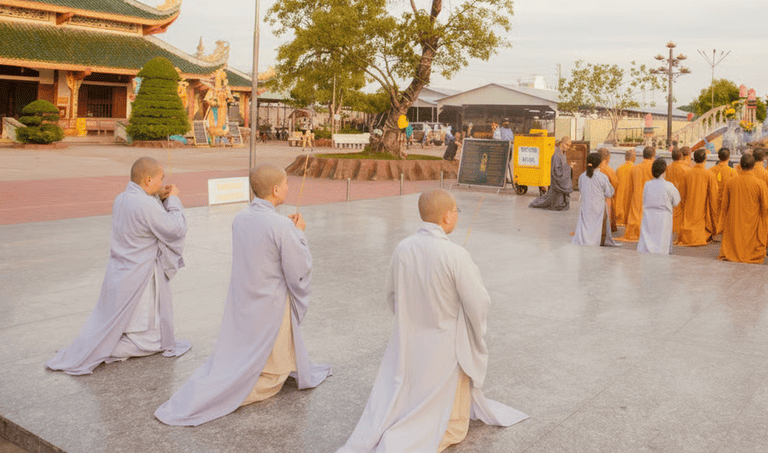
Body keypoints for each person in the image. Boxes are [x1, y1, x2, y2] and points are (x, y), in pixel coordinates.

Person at [337, 190, 528, 452]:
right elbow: (478, 301)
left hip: (410, 337)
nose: (457, 217)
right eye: (456, 212)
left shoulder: (403, 247)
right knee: (450, 421)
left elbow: (391, 294)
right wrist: (473, 328)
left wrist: (409, 319)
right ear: (447, 216)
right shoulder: (455, 255)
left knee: (409, 388)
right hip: (446, 342)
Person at [155, 165, 330, 426]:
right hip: (271, 304)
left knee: (245, 351)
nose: (287, 188)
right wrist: (299, 234)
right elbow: (298, 269)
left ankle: (234, 378)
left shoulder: (242, 217)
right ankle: (224, 395)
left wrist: (289, 231)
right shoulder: (281, 225)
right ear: (275, 189)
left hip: (245, 299)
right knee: (275, 378)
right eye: (285, 184)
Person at [46, 157, 190, 375]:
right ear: (148, 179)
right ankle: (101, 349)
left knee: (120, 324)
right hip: (139, 277)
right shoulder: (145, 204)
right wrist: (173, 200)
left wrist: (159, 199)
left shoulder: (122, 199)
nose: (162, 183)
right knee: (153, 340)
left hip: (121, 272)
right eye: (160, 179)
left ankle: (94, 345)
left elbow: (146, 216)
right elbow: (175, 229)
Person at [718, 154, 768, 265]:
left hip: (735, 220)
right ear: (753, 166)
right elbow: (767, 206)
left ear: (740, 165)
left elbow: (725, 205)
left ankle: (733, 252)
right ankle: (749, 254)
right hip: (753, 221)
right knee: (751, 241)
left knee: (735, 236)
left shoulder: (731, 182)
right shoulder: (760, 184)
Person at [572, 152, 618, 247]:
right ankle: (600, 240)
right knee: (602, 222)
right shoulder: (602, 177)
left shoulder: (582, 176)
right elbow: (609, 192)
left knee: (586, 224)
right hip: (598, 208)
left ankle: (586, 239)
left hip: (586, 207)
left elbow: (581, 189)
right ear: (599, 164)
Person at [637, 159, 681, 254]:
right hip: (663, 217)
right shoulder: (668, 186)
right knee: (661, 241)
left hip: (648, 215)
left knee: (648, 239)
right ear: (664, 171)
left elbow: (644, 199)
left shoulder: (647, 185)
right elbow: (676, 201)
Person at [675, 148, 718, 247]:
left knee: (688, 221)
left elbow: (681, 195)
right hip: (702, 211)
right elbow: (713, 198)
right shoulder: (709, 175)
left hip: (689, 209)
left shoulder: (687, 174)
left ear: (694, 159)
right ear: (705, 159)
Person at [620, 146, 657, 242]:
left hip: (636, 198)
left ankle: (635, 232)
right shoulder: (654, 168)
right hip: (651, 198)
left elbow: (630, 187)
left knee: (636, 217)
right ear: (653, 155)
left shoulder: (635, 168)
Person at [530, 136, 573, 211]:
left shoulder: (563, 153)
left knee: (552, 198)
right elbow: (556, 171)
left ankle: (559, 203)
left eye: (569, 145)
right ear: (562, 143)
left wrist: (568, 167)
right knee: (549, 199)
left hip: (559, 180)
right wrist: (568, 169)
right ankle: (537, 203)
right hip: (556, 181)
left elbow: (562, 167)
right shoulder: (556, 155)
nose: (568, 147)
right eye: (567, 144)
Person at [708, 147, 736, 239]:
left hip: (713, 199)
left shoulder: (710, 170)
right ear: (728, 158)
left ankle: (714, 230)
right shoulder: (733, 172)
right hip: (726, 199)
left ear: (718, 157)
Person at [664, 148, 691, 241]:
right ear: (681, 156)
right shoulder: (686, 168)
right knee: (679, 215)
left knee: (671, 214)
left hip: (670, 195)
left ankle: (670, 232)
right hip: (680, 195)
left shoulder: (668, 167)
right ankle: (677, 234)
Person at [597, 148, 620, 232]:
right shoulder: (608, 170)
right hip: (606, 199)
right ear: (607, 158)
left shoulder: (593, 170)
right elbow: (615, 184)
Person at [614, 149, 636, 227]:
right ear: (634, 157)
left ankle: (620, 219)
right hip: (631, 197)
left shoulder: (619, 168)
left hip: (620, 198)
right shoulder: (635, 169)